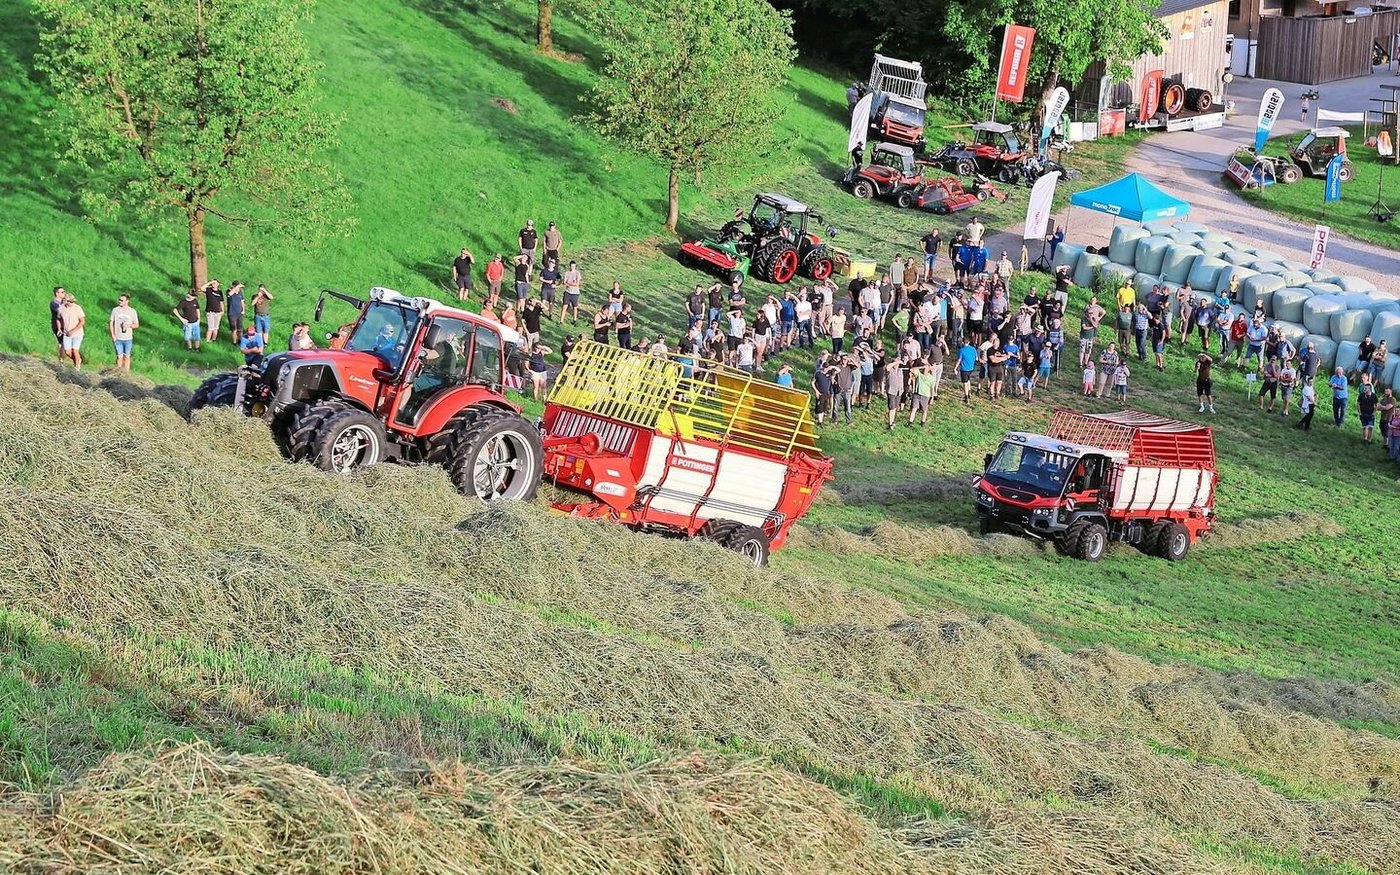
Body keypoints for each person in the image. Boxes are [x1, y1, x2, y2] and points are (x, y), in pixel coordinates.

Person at [109, 294, 139, 371]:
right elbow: (111, 323)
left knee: (127, 356)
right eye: (119, 300)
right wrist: (113, 335)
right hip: (118, 338)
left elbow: (136, 325)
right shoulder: (115, 310)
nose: (120, 301)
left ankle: (126, 373)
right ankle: (118, 372)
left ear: (127, 301)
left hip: (128, 338)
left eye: (122, 300)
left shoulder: (132, 311)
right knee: (119, 357)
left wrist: (129, 325)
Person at [57, 292, 86, 369]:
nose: (70, 303)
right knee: (67, 352)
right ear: (65, 301)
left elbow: (82, 321)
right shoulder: (61, 308)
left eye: (72, 301)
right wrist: (59, 328)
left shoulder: (77, 308)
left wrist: (73, 331)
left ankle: (77, 367)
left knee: (75, 350)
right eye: (69, 301)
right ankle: (77, 360)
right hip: (66, 334)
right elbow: (59, 319)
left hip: (77, 333)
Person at [883, 356, 904, 429]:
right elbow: (887, 367)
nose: (897, 365)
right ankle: (890, 423)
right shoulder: (890, 370)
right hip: (891, 391)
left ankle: (893, 421)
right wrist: (897, 361)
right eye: (895, 363)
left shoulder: (900, 370)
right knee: (891, 407)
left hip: (899, 391)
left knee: (895, 407)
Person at [957, 338, 978, 404]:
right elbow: (976, 358)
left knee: (965, 383)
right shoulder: (973, 349)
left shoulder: (962, 350)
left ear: (963, 342)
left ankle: (966, 397)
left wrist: (955, 368)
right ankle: (969, 393)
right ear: (969, 342)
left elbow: (959, 360)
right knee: (968, 380)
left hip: (964, 368)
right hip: (971, 368)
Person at [1357, 379, 1378, 444]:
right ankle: (1365, 439)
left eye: (1366, 388)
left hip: (1371, 414)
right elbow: (1358, 404)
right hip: (1363, 413)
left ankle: (1369, 440)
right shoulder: (1361, 395)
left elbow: (1376, 404)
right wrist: (1360, 412)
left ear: (1370, 389)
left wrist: (1374, 412)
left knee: (1370, 427)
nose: (1364, 389)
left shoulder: (1374, 396)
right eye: (1364, 388)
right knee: (1364, 427)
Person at [50, 286, 66, 360]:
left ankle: (62, 358)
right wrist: (65, 304)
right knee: (61, 342)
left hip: (65, 324)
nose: (64, 293)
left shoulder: (63, 302)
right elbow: (60, 312)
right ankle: (61, 360)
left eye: (64, 292)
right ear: (57, 293)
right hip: (57, 325)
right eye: (62, 292)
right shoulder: (54, 303)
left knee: (64, 343)